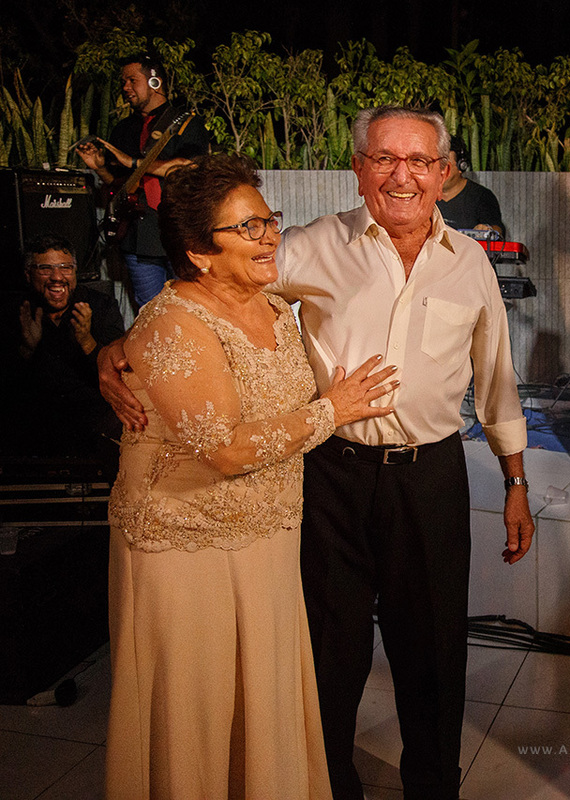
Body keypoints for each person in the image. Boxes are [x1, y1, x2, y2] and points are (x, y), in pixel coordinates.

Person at [99, 106, 535, 800]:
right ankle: (327, 786)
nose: (403, 175)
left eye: (420, 161)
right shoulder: (307, 246)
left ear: (444, 173)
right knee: (329, 655)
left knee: (434, 652)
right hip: (331, 474)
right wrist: (119, 347)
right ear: (359, 170)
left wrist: (516, 480)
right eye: (385, 159)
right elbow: (207, 298)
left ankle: (433, 786)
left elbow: (498, 380)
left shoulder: (473, 265)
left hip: (431, 478)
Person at [105, 153, 397, 799]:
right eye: (248, 228)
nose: (269, 237)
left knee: (259, 695)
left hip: (265, 535)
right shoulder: (174, 322)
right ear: (199, 253)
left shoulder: (269, 302)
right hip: (186, 544)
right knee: (199, 704)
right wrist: (333, 410)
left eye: (269, 221)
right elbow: (225, 451)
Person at [77, 53, 210, 310]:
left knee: (194, 309)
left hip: (180, 233)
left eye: (131, 80)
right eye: (123, 82)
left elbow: (191, 167)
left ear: (154, 82)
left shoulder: (186, 123)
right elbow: (118, 185)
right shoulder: (122, 129)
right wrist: (101, 169)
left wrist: (133, 162)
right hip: (138, 238)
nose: (125, 87)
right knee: (150, 313)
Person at [2, 234, 125, 464]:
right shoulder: (16, 311)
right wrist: (27, 350)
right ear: (28, 275)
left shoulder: (100, 305)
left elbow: (120, 375)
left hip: (93, 427)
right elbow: (8, 387)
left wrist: (87, 341)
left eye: (65, 268)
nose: (57, 277)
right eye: (45, 269)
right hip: (35, 431)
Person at [436, 134, 505, 236]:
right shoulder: (425, 194)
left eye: (445, 165)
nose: (439, 171)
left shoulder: (481, 196)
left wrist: (487, 229)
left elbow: (497, 230)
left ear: (462, 166)